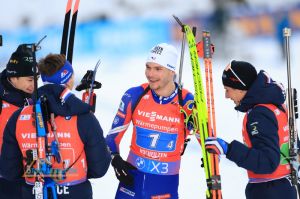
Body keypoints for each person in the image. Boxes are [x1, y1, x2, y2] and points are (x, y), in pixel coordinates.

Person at [0, 53, 111, 199]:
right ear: (69, 79)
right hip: (75, 192)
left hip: (33, 192)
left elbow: (9, 171)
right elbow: (99, 168)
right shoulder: (84, 116)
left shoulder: (18, 117)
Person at [106, 43, 194, 199]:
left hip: (164, 186)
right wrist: (115, 159)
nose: (150, 74)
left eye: (158, 69)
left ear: (172, 71)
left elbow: (208, 143)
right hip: (131, 184)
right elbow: (112, 138)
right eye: (148, 67)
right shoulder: (134, 95)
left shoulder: (187, 102)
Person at [204, 60, 297, 199]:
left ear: (240, 88)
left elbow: (268, 162)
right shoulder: (274, 105)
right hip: (282, 187)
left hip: (269, 190)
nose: (226, 96)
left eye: (228, 89)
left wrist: (228, 149)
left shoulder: (259, 113)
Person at [0, 44, 37, 199]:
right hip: (4, 180)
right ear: (13, 77)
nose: (34, 84)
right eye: (29, 80)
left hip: (31, 177)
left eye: (36, 79)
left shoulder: (34, 99)